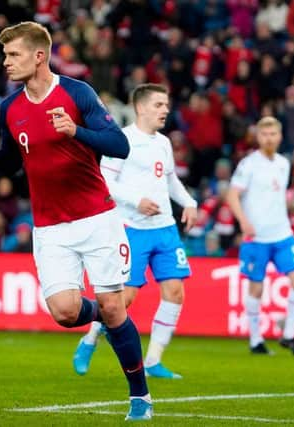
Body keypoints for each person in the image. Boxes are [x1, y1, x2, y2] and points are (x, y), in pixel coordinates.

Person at [0, 21, 152, 420]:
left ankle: (140, 396)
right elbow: (12, 164)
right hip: (50, 226)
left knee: (113, 306)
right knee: (65, 312)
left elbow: (119, 146)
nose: (6, 62)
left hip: (97, 217)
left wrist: (76, 131)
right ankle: (106, 312)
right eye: (5, 55)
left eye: (13, 55)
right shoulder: (9, 108)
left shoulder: (77, 93)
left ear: (39, 56)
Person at [72, 84, 198, 379]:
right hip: (132, 228)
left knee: (175, 292)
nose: (164, 110)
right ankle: (90, 339)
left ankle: (153, 360)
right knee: (123, 299)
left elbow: (170, 180)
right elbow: (104, 181)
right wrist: (136, 201)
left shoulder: (164, 143)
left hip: (165, 227)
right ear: (140, 108)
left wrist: (189, 203)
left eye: (166, 105)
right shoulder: (123, 141)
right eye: (158, 105)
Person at [226, 116, 294, 356]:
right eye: (265, 134)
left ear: (280, 136)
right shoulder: (248, 164)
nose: (269, 138)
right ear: (258, 137)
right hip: (256, 237)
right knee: (256, 289)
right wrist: (244, 221)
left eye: (273, 134)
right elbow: (232, 195)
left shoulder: (284, 163)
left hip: (282, 234)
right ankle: (255, 339)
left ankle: (290, 334)